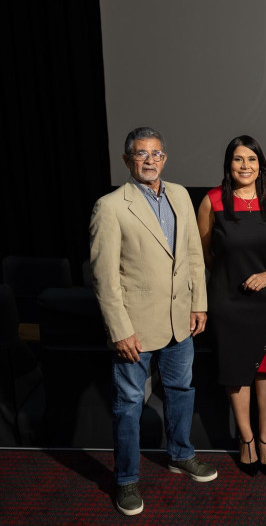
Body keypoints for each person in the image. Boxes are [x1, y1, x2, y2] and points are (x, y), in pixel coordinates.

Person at [90, 127, 217, 516]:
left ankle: (180, 454)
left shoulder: (179, 194)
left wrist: (199, 304)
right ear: (128, 160)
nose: (150, 160)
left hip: (181, 320)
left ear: (165, 158)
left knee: (181, 390)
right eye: (141, 154)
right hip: (136, 328)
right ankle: (126, 480)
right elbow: (103, 276)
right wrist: (119, 330)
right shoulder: (110, 206)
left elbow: (193, 255)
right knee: (129, 404)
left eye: (156, 154)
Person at [197, 135, 266, 477]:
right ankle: (247, 439)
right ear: (228, 164)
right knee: (236, 373)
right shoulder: (212, 201)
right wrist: (229, 278)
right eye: (238, 159)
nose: (245, 166)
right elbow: (205, 255)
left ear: (260, 164)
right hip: (228, 301)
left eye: (251, 159)